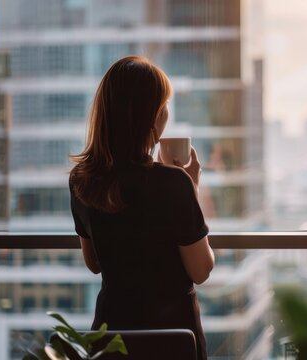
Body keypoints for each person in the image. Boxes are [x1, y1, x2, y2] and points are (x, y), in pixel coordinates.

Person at [69, 56, 214, 360]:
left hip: (112, 339)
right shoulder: (174, 183)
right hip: (172, 339)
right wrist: (192, 188)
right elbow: (201, 269)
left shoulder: (82, 181)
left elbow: (94, 263)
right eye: (164, 106)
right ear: (151, 116)